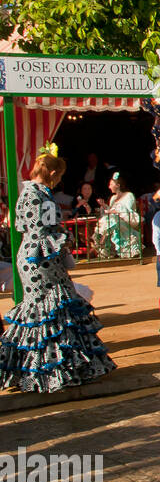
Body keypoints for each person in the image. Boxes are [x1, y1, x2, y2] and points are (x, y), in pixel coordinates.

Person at [0, 147, 115, 392]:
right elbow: (43, 231)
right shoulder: (38, 194)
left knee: (44, 310)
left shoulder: (28, 192)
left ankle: (43, 370)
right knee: (51, 309)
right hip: (42, 258)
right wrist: (64, 240)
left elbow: (22, 225)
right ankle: (50, 372)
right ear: (51, 172)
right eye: (59, 175)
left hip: (34, 256)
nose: (60, 180)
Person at [90, 171, 142, 259]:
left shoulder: (129, 195)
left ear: (118, 185)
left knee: (112, 219)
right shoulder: (113, 198)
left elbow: (126, 211)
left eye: (111, 184)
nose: (109, 187)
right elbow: (111, 210)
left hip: (126, 222)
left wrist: (115, 211)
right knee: (111, 219)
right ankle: (102, 240)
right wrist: (104, 206)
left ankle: (101, 239)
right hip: (114, 223)